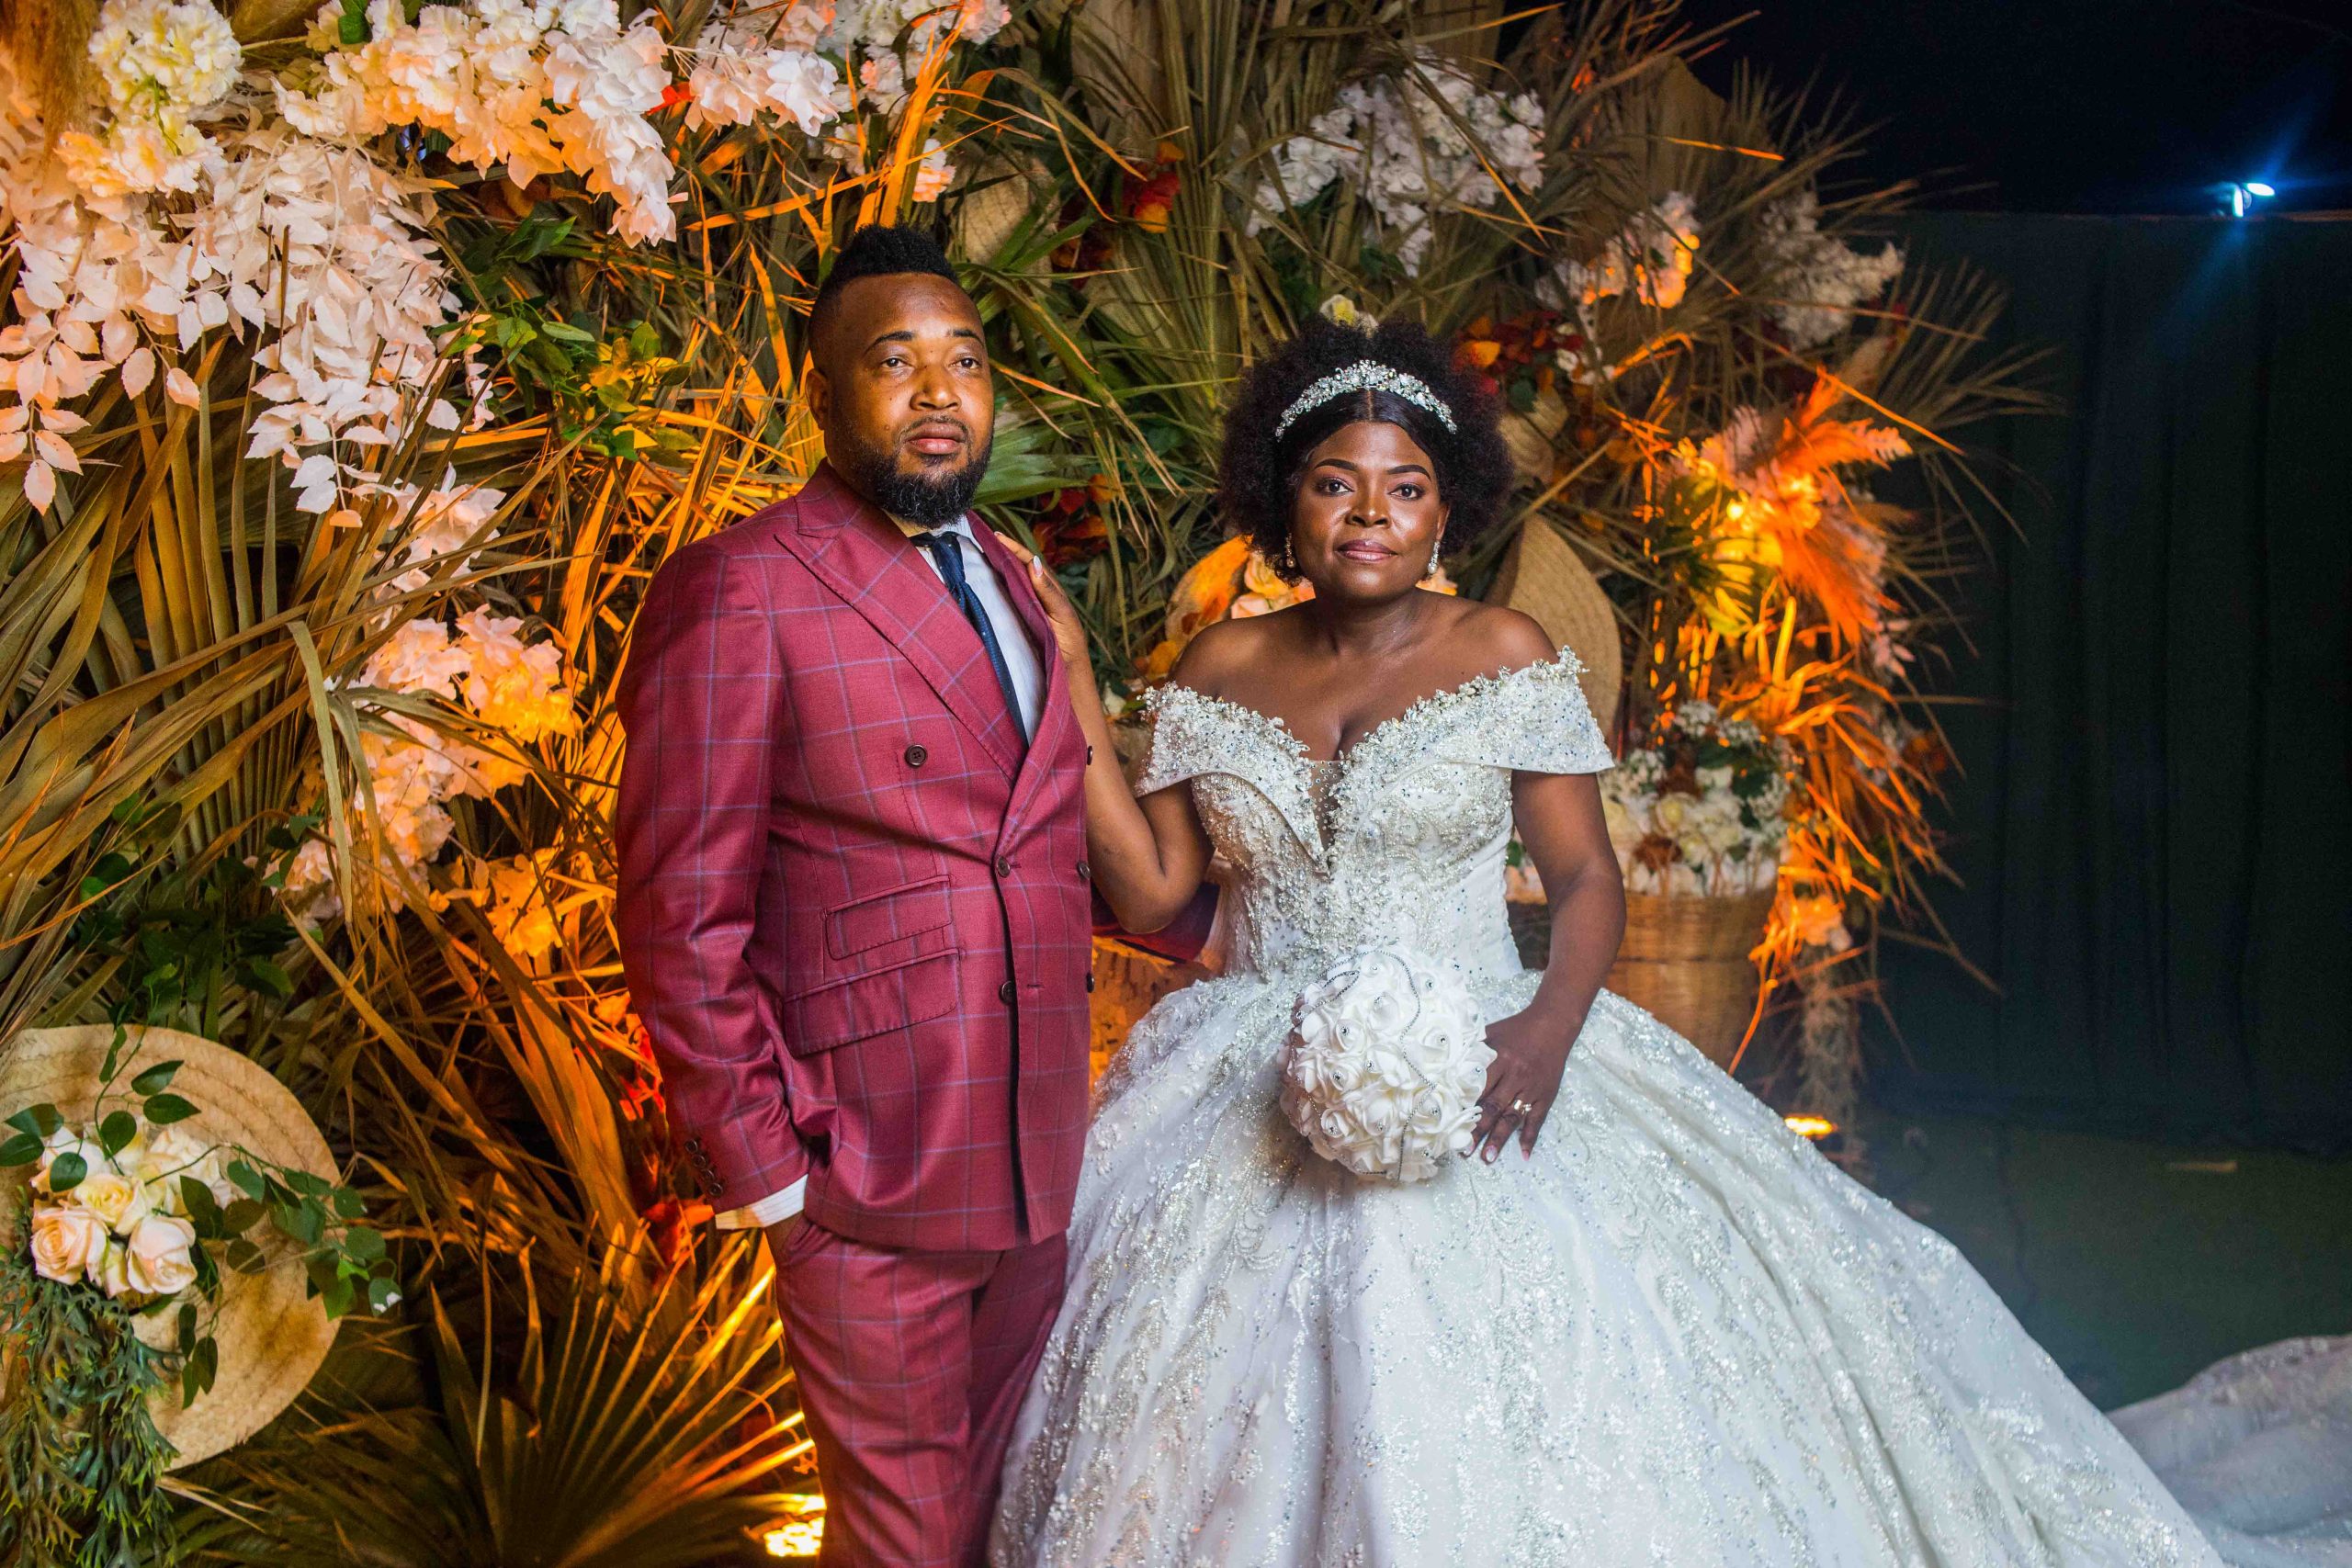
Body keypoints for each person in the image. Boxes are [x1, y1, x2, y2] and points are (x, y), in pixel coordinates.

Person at [987, 316, 2225, 1566]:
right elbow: (1153, 890)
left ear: (1447, 510)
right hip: (1241, 1071)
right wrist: (1073, 677)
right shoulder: (1219, 664)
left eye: (1406, 488)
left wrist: (1545, 1028)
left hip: (1483, 1044)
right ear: (1284, 500)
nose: (1371, 515)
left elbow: (1584, 878)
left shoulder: (1502, 651)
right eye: (1335, 483)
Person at [616, 224, 1093, 1568]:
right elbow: (675, 912)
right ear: (821, 394)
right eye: (897, 362)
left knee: (1002, 1531)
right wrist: (769, 1174)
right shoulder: (742, 585)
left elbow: (1045, 835)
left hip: (1036, 1159)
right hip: (865, 1169)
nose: (942, 393)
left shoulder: (1015, 577)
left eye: (967, 361)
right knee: (903, 1547)